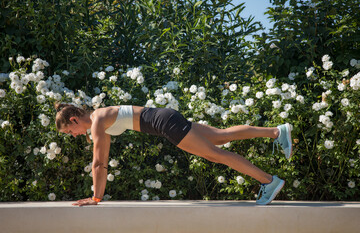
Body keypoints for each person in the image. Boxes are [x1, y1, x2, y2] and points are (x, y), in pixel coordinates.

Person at [54, 104, 293, 206]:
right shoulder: (99, 118)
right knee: (221, 136)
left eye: (70, 131)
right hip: (165, 117)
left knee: (214, 154)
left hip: (165, 124)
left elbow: (99, 163)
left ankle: (269, 181)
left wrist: (95, 197)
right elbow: (101, 159)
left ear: (74, 119)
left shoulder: (97, 121)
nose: (73, 135)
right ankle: (276, 132)